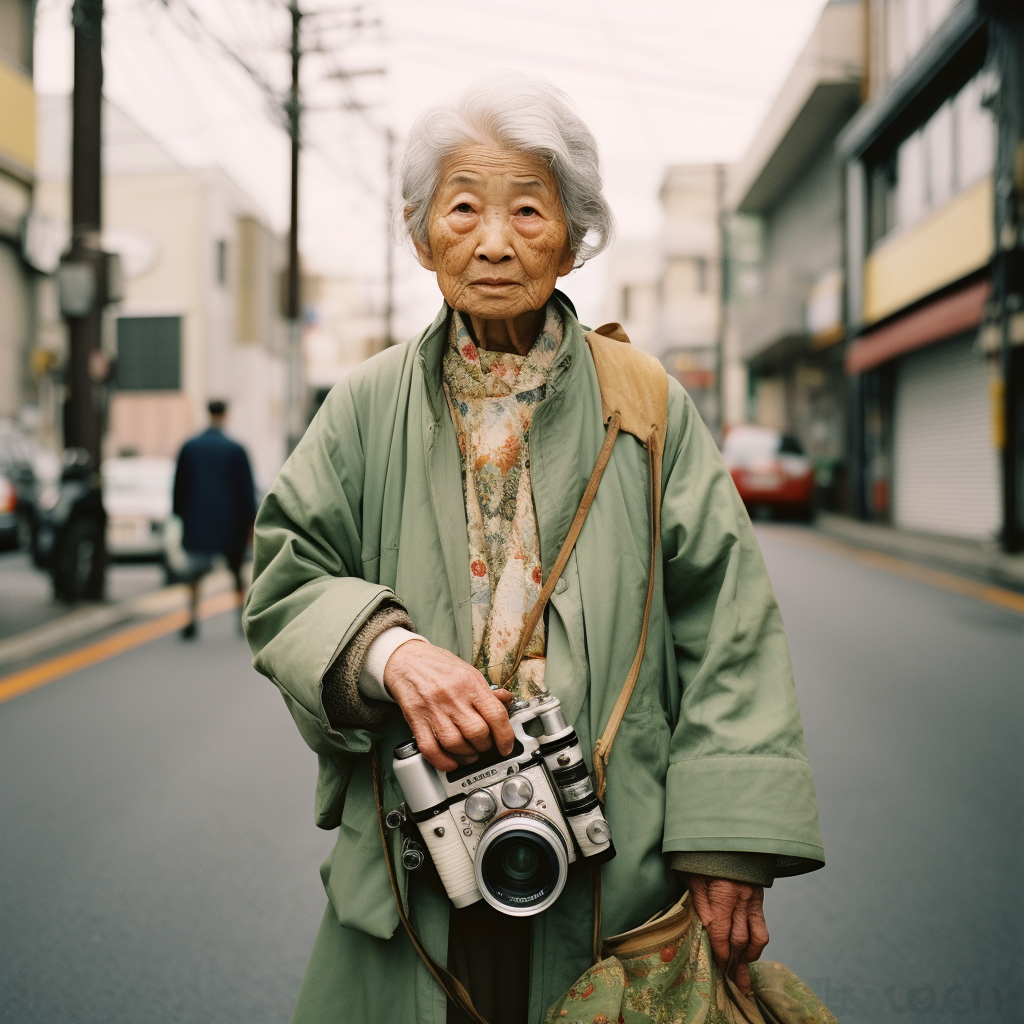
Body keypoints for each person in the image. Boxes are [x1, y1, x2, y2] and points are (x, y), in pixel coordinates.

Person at [243, 75, 824, 1024]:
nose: (496, 240)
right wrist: (393, 654)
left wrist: (729, 847)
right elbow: (285, 576)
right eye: (463, 208)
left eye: (528, 208)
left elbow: (727, 623)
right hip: (416, 857)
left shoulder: (645, 402)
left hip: (616, 871)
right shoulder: (362, 406)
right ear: (420, 230)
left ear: (574, 231)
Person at [173, 399, 256, 639]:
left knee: (194, 573)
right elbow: (246, 489)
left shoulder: (189, 447)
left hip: (197, 521)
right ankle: (242, 620)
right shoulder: (236, 449)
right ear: (225, 415)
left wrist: (180, 515)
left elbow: (179, 487)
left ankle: (191, 618)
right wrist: (250, 522)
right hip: (231, 523)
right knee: (236, 572)